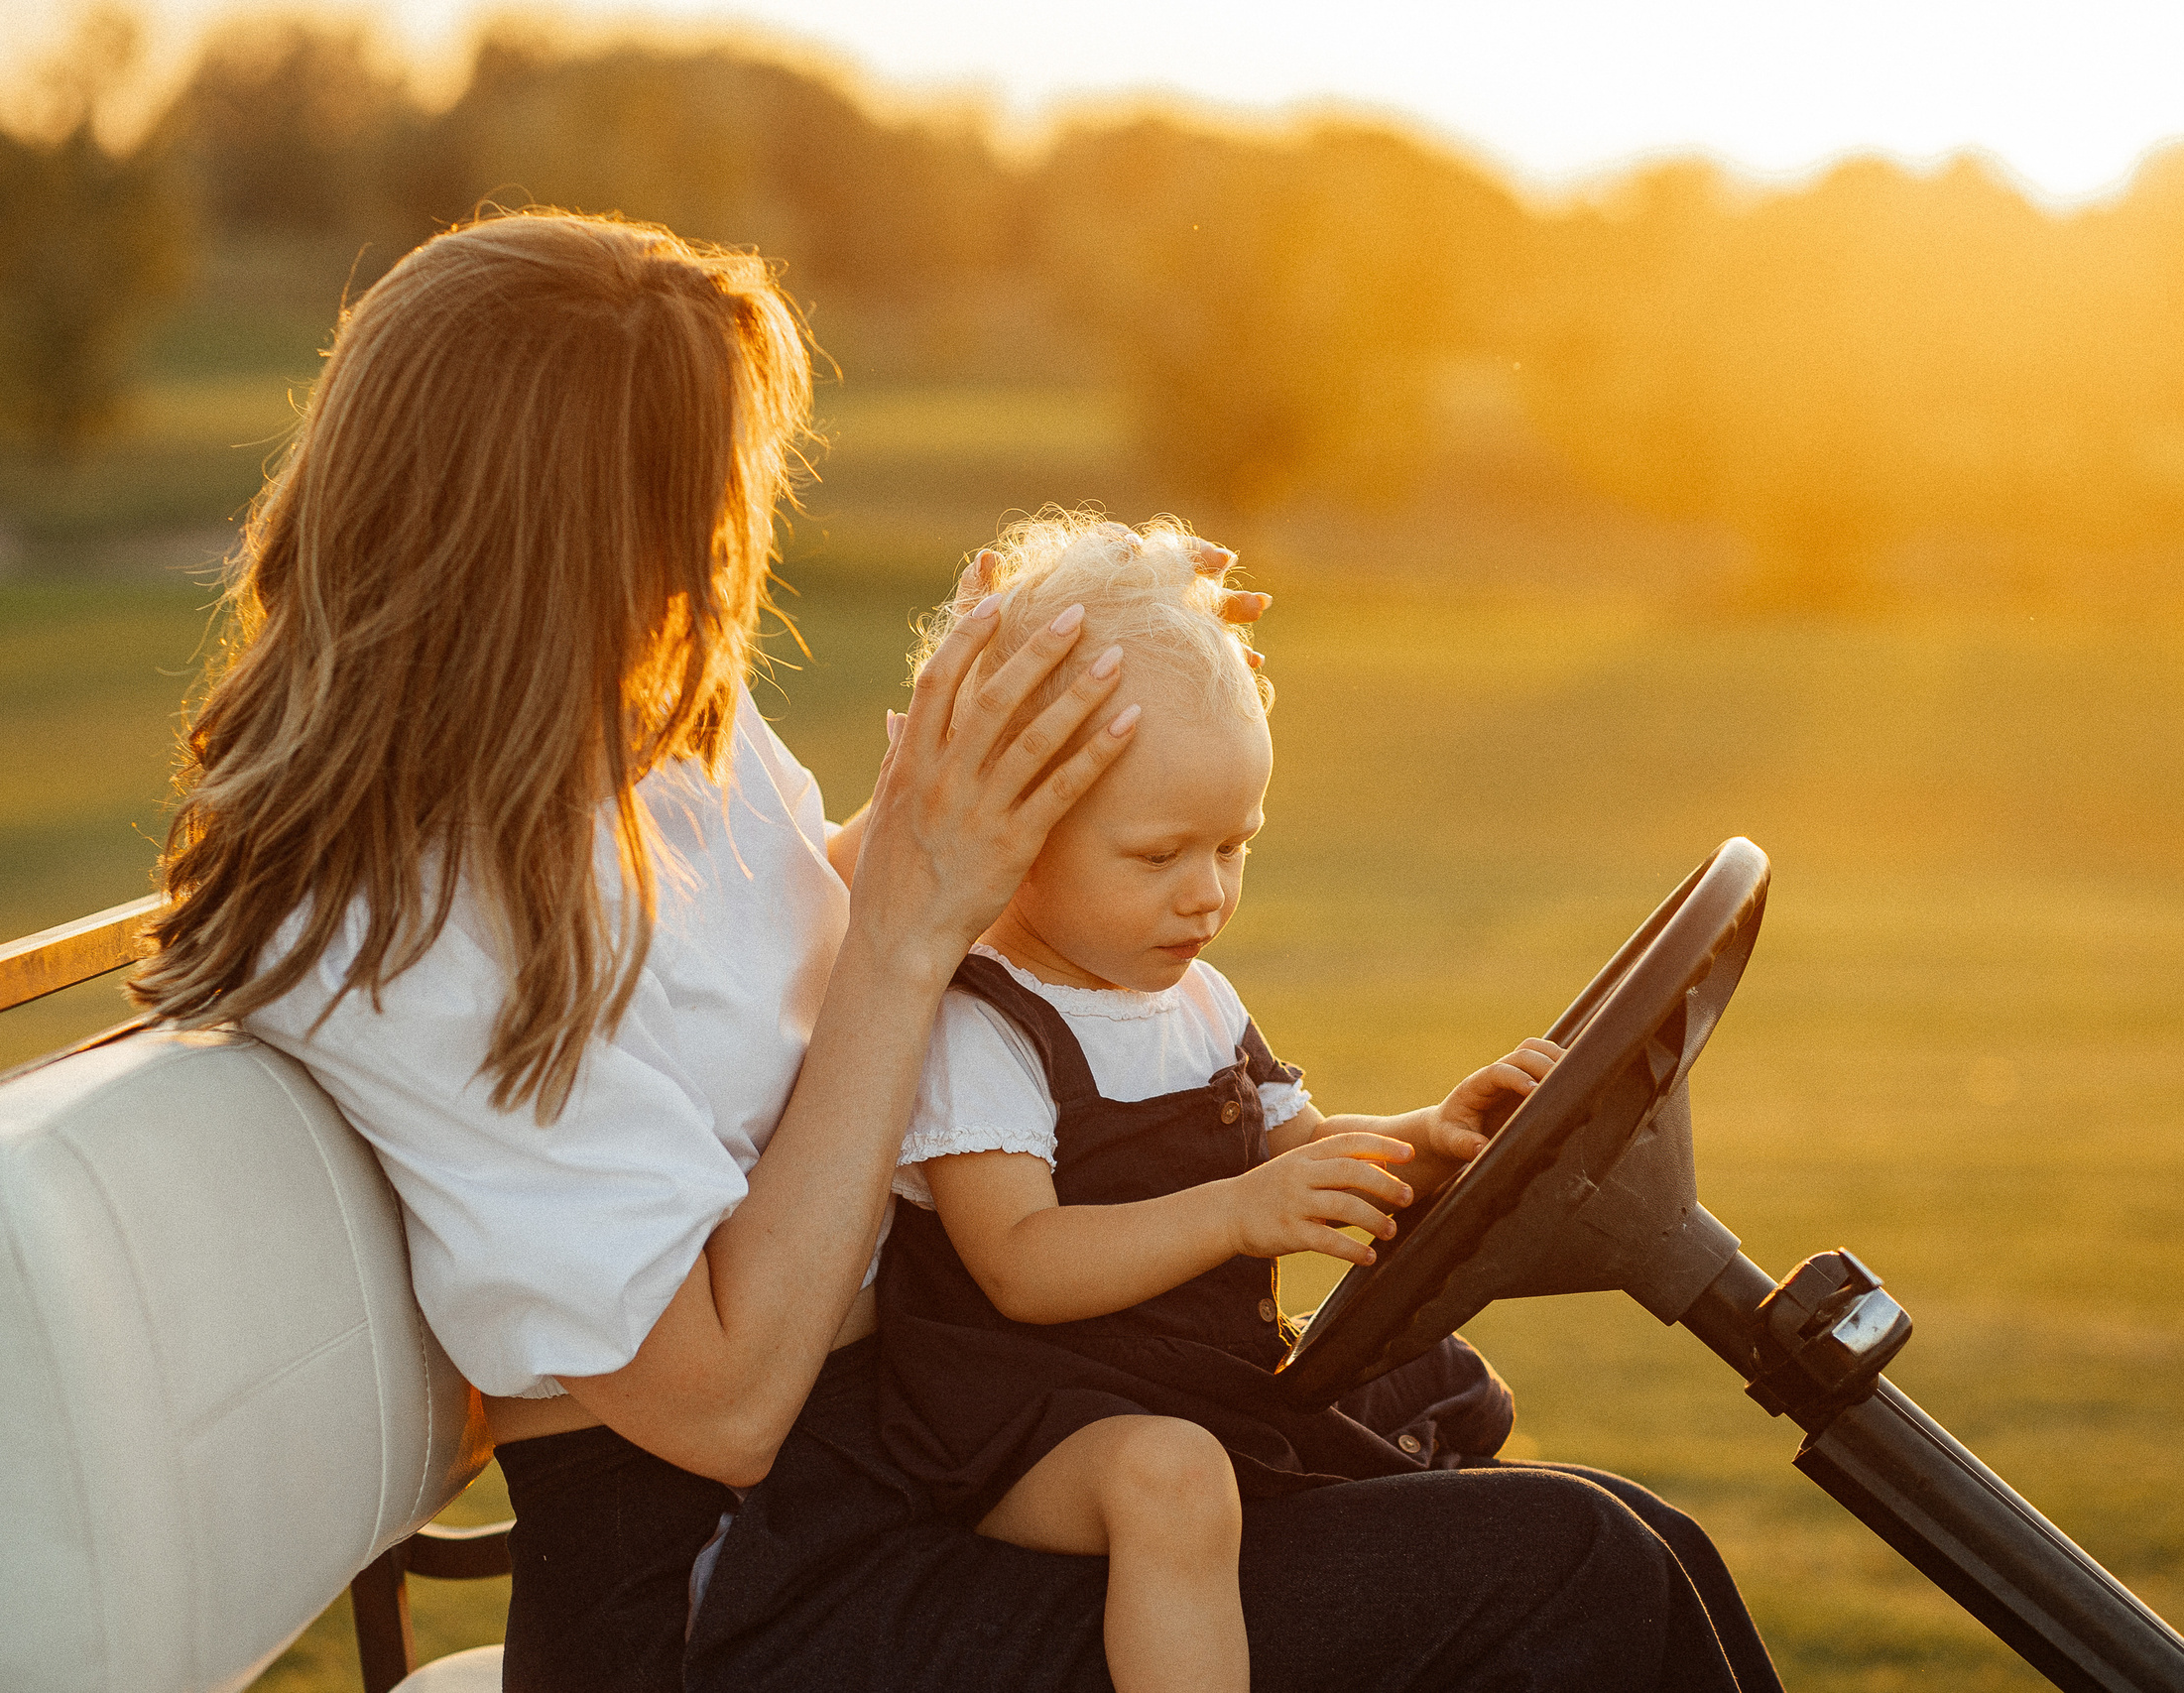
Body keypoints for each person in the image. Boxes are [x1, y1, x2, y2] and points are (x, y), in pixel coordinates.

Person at [132, 207, 1784, 1693]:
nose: (719, 557)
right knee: (1580, 1578)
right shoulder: (402, 929)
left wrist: (1030, 717)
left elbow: (810, 941)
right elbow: (717, 1401)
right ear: (549, 528)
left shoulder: (647, 750)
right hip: (726, 1595)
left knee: (1618, 1546)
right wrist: (919, 912)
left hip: (901, 1462)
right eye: (690, 506)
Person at [875, 514, 1554, 1693]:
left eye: (1233, 848)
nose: (1206, 896)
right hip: (1018, 1429)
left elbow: (1294, 1146)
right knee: (1173, 1486)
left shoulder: (1188, 995)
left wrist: (1430, 1137)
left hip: (1183, 1381)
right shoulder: (978, 1023)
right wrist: (1238, 1215)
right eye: (1158, 857)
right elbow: (1020, 1264)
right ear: (1017, 838)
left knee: (1437, 1388)